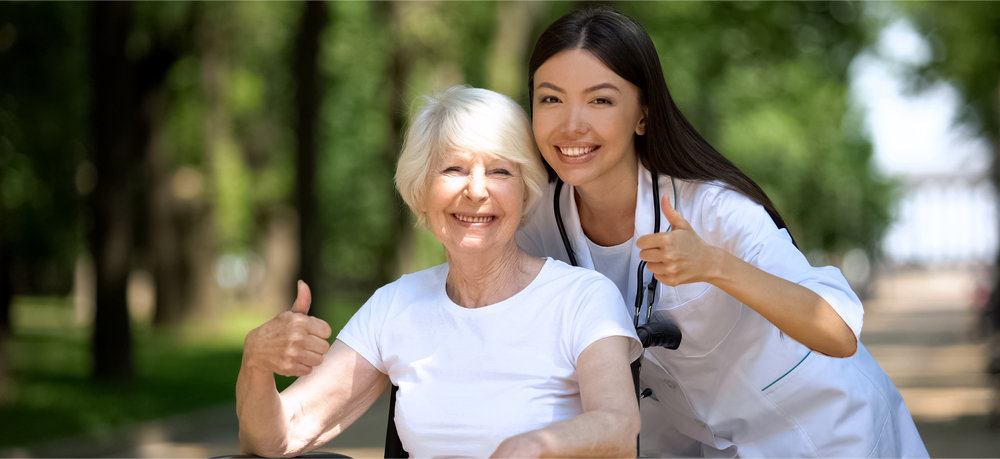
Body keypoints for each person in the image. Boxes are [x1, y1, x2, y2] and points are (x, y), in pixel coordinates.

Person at [516, 7, 929, 457]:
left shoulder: (712, 207)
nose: (572, 123)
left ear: (642, 115)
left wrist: (714, 265)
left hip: (830, 431)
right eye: (550, 99)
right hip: (714, 445)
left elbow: (837, 332)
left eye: (600, 100)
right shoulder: (536, 226)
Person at [236, 86, 643, 458]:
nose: (477, 190)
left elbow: (619, 428)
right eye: (454, 169)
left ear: (525, 190)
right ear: (421, 190)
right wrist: (255, 363)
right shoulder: (396, 305)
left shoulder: (582, 298)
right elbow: (277, 436)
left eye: (501, 171)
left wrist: (537, 445)